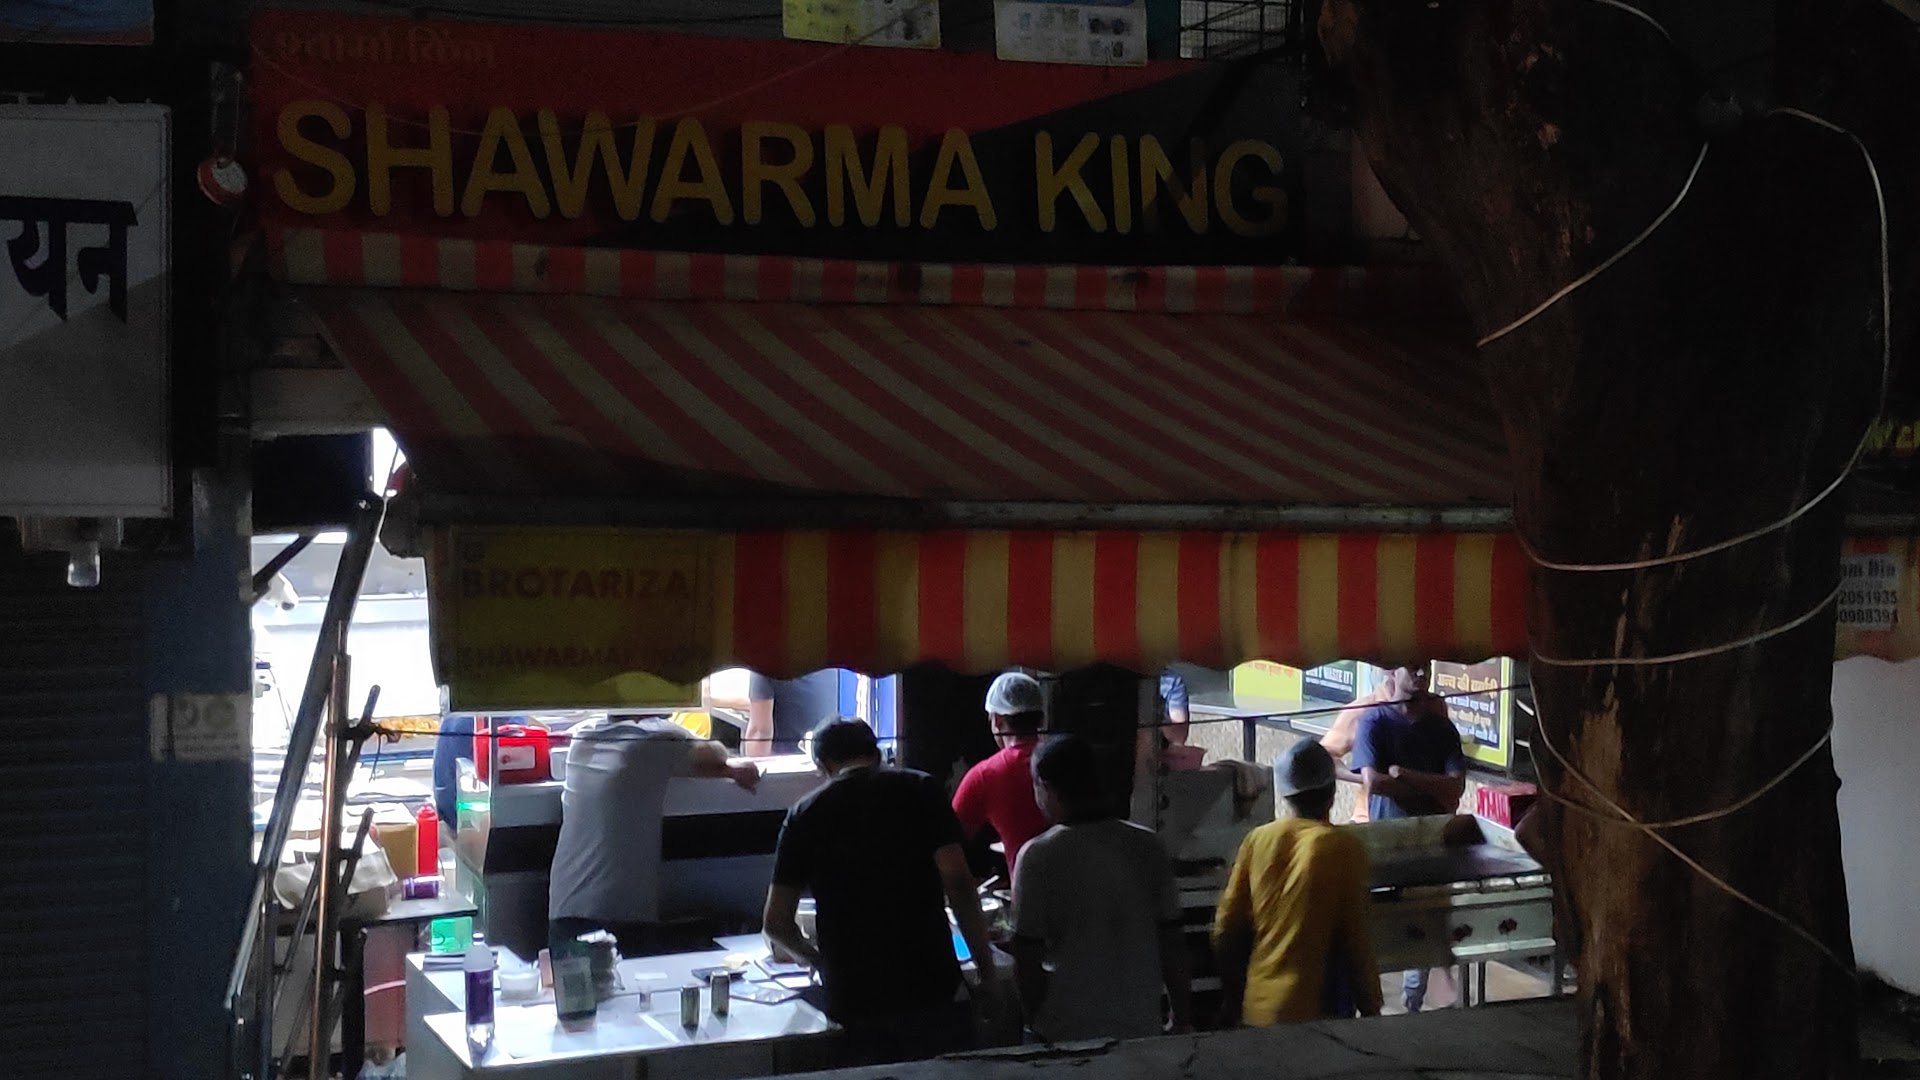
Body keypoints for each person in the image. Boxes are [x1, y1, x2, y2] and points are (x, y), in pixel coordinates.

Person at [763, 718, 1001, 1065]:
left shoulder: (804, 815)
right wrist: (986, 971)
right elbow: (959, 882)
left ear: (823, 765)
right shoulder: (921, 789)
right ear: (877, 755)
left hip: (853, 997)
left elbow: (776, 923)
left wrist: (817, 960)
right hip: (929, 983)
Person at [1011, 735, 1193, 1042]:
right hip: (1140, 1028)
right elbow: (1172, 942)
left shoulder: (1038, 856)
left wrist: (1033, 1021)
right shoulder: (1147, 845)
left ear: (1047, 788)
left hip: (1065, 1034)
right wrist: (1182, 1017)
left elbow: (1026, 957)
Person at [549, 714, 761, 956]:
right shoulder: (656, 738)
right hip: (618, 915)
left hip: (563, 910)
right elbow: (715, 754)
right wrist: (728, 769)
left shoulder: (584, 735)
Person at [1212, 739, 1381, 1027]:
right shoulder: (1342, 847)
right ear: (1331, 792)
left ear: (1286, 795)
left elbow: (1226, 929)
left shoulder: (1258, 840)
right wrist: (1371, 1010)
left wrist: (1232, 1000)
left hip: (1258, 1010)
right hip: (1317, 1017)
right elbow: (1356, 941)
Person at [1350, 666, 1467, 1011]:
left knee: (1425, 930)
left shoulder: (1442, 729)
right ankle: (1372, 1005)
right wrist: (1432, 786)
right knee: (1381, 929)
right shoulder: (1375, 721)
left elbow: (1456, 788)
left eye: (1425, 667)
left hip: (1432, 844)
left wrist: (1404, 775)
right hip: (1386, 844)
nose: (1421, 673)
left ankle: (1412, 1003)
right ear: (1391, 671)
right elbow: (1375, 783)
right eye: (1412, 666)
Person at [953, 672, 1054, 875]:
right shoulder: (1066, 760)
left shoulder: (985, 775)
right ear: (1041, 718)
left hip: (1029, 890)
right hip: (1087, 886)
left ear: (997, 721)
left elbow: (950, 841)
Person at [743, 669, 842, 756]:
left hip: (789, 764)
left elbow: (760, 732)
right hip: (828, 759)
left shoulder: (764, 664)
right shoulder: (828, 661)